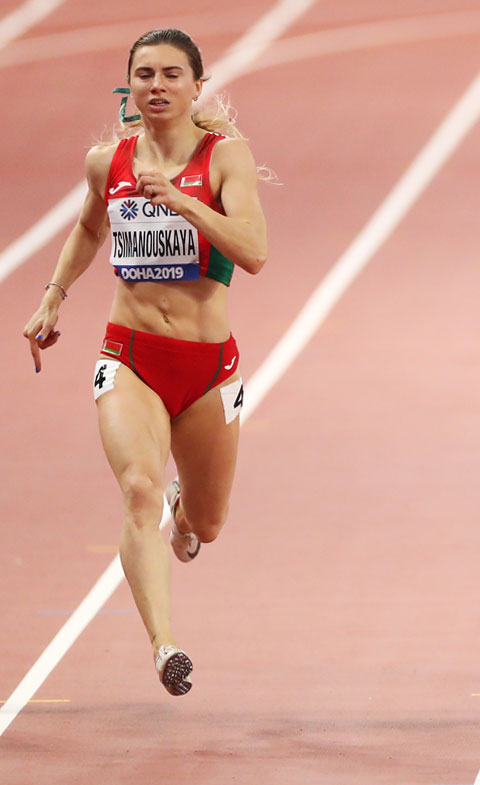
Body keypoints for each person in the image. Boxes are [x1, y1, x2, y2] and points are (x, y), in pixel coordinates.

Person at [21, 29, 268, 695]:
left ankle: (184, 516)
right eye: (144, 75)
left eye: (170, 75)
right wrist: (53, 299)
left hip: (210, 367)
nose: (156, 86)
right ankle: (165, 646)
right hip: (128, 355)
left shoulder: (225, 157)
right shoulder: (108, 161)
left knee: (206, 525)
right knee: (137, 488)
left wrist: (185, 201)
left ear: (195, 85)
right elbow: (89, 227)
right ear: (129, 86)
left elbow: (255, 250)